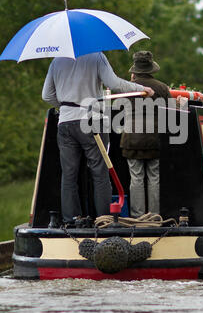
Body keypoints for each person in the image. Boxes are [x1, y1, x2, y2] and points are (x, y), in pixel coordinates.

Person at [42, 52, 154, 226]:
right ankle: (103, 221)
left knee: (69, 175)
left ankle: (71, 221)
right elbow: (114, 83)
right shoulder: (96, 57)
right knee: (100, 172)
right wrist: (140, 89)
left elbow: (46, 95)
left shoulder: (56, 61)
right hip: (92, 120)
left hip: (65, 123)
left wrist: (66, 107)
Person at [120, 50, 172, 218]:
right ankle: (154, 215)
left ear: (134, 71)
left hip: (132, 140)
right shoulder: (162, 87)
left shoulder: (127, 88)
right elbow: (171, 112)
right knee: (154, 177)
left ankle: (137, 216)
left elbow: (117, 109)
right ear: (151, 69)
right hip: (154, 139)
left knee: (136, 178)